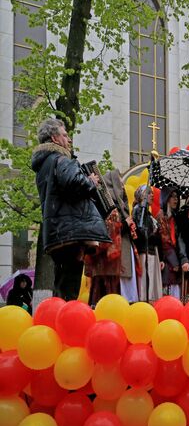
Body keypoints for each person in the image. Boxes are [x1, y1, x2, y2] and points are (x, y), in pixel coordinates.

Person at [31, 118, 110, 301]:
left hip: (58, 233)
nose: (69, 139)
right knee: (70, 287)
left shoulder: (44, 164)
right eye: (65, 135)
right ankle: (69, 324)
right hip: (71, 233)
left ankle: (56, 321)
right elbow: (74, 183)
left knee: (61, 283)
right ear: (55, 138)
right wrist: (91, 181)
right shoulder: (61, 159)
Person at [103, 169, 139, 302]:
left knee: (128, 287)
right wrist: (124, 224)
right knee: (116, 291)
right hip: (114, 255)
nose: (122, 185)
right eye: (119, 181)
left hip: (124, 249)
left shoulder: (122, 205)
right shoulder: (107, 203)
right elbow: (108, 227)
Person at [85, 208, 122, 306]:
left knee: (104, 296)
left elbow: (109, 236)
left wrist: (93, 247)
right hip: (102, 263)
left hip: (108, 262)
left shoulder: (110, 211)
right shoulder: (100, 209)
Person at [132, 185, 164, 301]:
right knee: (145, 285)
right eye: (149, 193)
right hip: (144, 252)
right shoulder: (138, 211)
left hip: (151, 252)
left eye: (152, 193)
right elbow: (141, 234)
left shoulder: (148, 214)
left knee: (151, 284)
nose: (152, 195)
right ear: (142, 195)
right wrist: (154, 233)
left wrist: (161, 257)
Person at [157, 187, 186, 298]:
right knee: (168, 290)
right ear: (166, 198)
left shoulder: (174, 217)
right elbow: (164, 241)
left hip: (176, 259)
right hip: (167, 261)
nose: (176, 199)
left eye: (177, 197)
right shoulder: (161, 217)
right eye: (172, 196)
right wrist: (174, 261)